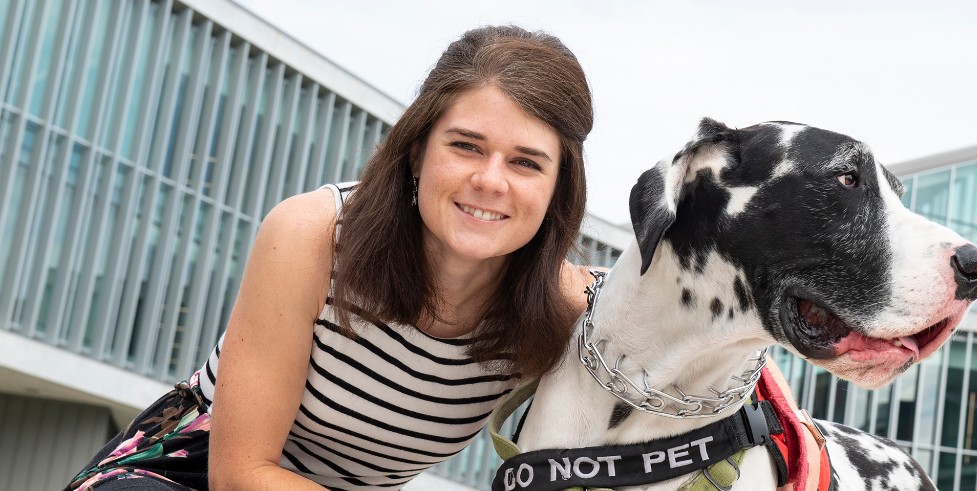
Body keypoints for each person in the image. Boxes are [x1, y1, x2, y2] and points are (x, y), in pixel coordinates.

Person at [66, 25, 596, 490]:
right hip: (184, 476)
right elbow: (240, 474)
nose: (490, 181)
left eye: (526, 163)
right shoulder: (314, 234)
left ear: (558, 189)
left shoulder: (565, 311)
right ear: (417, 153)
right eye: (466, 146)